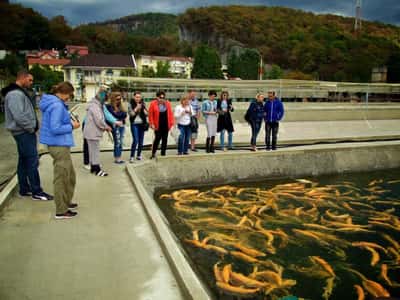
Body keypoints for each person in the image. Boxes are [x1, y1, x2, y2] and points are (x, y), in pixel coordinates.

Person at [1, 70, 53, 200]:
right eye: (30, 80)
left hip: (23, 131)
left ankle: (24, 188)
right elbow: (19, 115)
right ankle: (37, 191)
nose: (31, 83)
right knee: (32, 160)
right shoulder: (15, 94)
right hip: (23, 132)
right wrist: (31, 128)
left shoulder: (18, 93)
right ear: (22, 78)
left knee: (24, 160)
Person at [39, 82, 79, 219]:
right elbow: (55, 128)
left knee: (70, 175)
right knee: (61, 177)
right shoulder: (56, 105)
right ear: (64, 92)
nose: (70, 97)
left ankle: (66, 201)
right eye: (69, 94)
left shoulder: (55, 103)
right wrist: (72, 126)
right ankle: (61, 210)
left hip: (58, 144)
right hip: (59, 145)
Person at [82, 100, 122, 170]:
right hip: (88, 125)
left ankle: (94, 162)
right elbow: (101, 118)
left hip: (94, 126)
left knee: (94, 146)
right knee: (87, 145)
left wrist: (114, 121)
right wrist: (114, 122)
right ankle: (87, 163)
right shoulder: (95, 105)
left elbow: (106, 114)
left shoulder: (101, 105)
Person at [83, 86, 112, 176]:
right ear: (102, 96)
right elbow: (99, 120)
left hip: (90, 131)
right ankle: (97, 170)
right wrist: (106, 127)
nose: (106, 100)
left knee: (92, 151)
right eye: (106, 97)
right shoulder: (95, 106)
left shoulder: (94, 104)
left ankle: (93, 168)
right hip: (92, 132)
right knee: (95, 152)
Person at [148, 91, 174, 158]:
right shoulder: (153, 104)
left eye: (163, 97)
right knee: (157, 139)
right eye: (160, 97)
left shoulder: (167, 103)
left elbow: (170, 114)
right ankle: (153, 153)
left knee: (165, 140)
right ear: (157, 97)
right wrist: (152, 123)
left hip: (166, 125)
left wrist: (171, 124)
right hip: (157, 125)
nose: (162, 99)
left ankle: (163, 153)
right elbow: (150, 115)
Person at [105, 92, 127, 164]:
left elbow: (124, 115)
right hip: (115, 127)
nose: (119, 101)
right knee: (117, 142)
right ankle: (117, 158)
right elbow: (111, 116)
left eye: (120, 99)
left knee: (120, 142)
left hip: (122, 126)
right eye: (117, 99)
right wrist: (117, 115)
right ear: (113, 99)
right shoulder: (108, 106)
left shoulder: (121, 106)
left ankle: (118, 157)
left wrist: (117, 114)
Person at [128, 91, 148, 162]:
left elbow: (147, 113)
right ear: (134, 97)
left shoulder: (143, 103)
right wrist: (136, 108)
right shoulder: (130, 104)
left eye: (139, 97)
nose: (138, 98)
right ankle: (132, 156)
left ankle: (139, 155)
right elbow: (131, 114)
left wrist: (146, 112)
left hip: (142, 124)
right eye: (136, 97)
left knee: (141, 141)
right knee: (135, 140)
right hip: (134, 124)